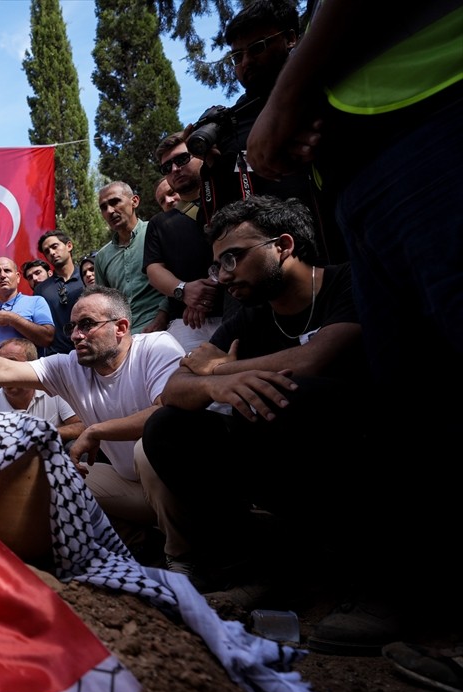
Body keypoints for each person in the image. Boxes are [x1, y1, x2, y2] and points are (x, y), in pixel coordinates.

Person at [245, 0, 462, 652]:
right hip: (362, 169)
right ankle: (431, 602)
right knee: (415, 401)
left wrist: (286, 98)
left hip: (438, 111)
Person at [142, 196, 365, 590]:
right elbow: (173, 388)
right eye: (216, 265)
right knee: (168, 426)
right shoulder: (249, 318)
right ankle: (253, 558)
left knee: (287, 395)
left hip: (371, 449)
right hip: (281, 466)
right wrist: (216, 382)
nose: (222, 277)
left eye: (233, 258)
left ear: (283, 246)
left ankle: (369, 570)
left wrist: (221, 369)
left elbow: (315, 359)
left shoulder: (348, 281)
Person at [0, 286, 184, 561]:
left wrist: (95, 430)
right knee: (56, 477)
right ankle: (136, 548)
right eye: (72, 327)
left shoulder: (156, 347)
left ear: (120, 328)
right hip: (132, 489)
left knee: (147, 449)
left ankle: (185, 560)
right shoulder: (70, 367)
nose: (77, 336)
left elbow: (166, 413)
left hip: (184, 488)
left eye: (87, 325)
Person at [191, 0, 344, 263]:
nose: (246, 62)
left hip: (341, 241)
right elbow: (225, 209)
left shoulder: (329, 85)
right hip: (273, 264)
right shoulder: (232, 122)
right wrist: (214, 167)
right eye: (237, 56)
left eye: (257, 48)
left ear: (291, 38)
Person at [143, 132, 229, 352]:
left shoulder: (229, 195)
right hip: (187, 324)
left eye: (181, 159)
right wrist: (184, 291)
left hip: (238, 307)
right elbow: (154, 270)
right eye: (166, 167)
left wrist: (202, 297)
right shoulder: (158, 223)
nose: (174, 169)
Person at [0, 337, 84, 446]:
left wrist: (44, 433)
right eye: (0, 365)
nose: (4, 371)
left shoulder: (56, 391)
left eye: (12, 363)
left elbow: (82, 426)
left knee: (76, 445)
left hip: (56, 457)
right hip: (12, 461)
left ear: (32, 366)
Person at [92, 182, 168, 334]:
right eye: (103, 207)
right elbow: (105, 303)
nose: (110, 211)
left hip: (168, 326)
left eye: (115, 202)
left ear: (134, 201)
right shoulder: (102, 257)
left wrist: (163, 315)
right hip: (126, 338)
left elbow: (181, 275)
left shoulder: (158, 230)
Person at [0, 257, 54, 352]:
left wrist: (13, 320)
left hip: (27, 366)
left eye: (7, 270)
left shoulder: (36, 302)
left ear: (18, 277)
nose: (2, 275)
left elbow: (47, 338)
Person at [35, 229, 86, 355]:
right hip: (57, 359)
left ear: (69, 246)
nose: (52, 252)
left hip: (89, 353)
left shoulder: (88, 278)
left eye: (54, 246)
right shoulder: (41, 290)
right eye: (47, 251)